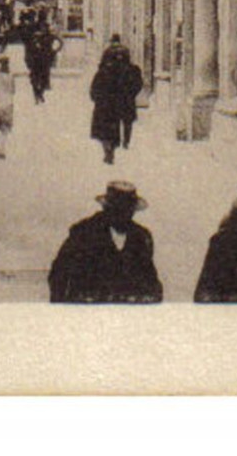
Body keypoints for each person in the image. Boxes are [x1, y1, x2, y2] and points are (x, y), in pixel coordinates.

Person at [48, 180, 163, 303]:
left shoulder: (141, 237)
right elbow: (59, 274)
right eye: (117, 208)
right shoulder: (84, 232)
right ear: (106, 207)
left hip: (128, 315)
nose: (123, 214)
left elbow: (151, 281)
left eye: (128, 209)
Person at [89, 35, 142, 164]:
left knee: (107, 128)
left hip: (107, 103)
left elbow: (95, 88)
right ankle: (125, 142)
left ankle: (109, 150)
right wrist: (131, 94)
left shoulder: (104, 71)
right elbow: (138, 84)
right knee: (126, 121)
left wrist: (97, 99)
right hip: (124, 99)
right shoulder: (130, 70)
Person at [24, 15, 62, 104]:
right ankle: (37, 95)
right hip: (36, 61)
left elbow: (60, 42)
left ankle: (40, 93)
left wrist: (54, 51)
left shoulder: (51, 36)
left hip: (45, 60)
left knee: (44, 79)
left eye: (45, 28)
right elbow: (28, 48)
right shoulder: (36, 36)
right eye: (42, 28)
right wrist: (28, 59)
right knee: (34, 79)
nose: (44, 29)